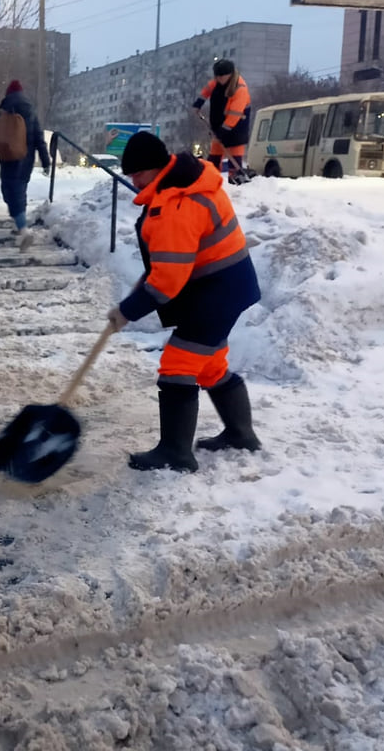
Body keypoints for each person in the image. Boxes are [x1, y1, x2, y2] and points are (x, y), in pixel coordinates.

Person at [106, 131, 262, 474]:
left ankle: (175, 453)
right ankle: (240, 433)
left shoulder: (175, 205)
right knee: (209, 365)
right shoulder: (182, 184)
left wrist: (127, 312)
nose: (133, 180)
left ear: (154, 168)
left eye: (137, 173)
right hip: (225, 286)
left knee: (178, 365)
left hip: (216, 291)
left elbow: (168, 281)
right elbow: (171, 264)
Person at [0, 80, 51, 250]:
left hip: (9, 157)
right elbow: (39, 137)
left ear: (8, 93)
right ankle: (19, 226)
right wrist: (46, 161)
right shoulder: (31, 110)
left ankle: (23, 229)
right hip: (26, 158)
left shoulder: (4, 107)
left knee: (10, 191)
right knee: (20, 190)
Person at [192, 59, 251, 182]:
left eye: (221, 76)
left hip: (236, 127)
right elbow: (207, 90)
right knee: (214, 155)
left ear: (229, 74)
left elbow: (235, 114)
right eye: (216, 76)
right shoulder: (217, 82)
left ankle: (236, 179)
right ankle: (211, 179)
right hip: (218, 124)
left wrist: (223, 130)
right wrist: (199, 102)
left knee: (235, 154)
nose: (218, 79)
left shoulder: (240, 89)